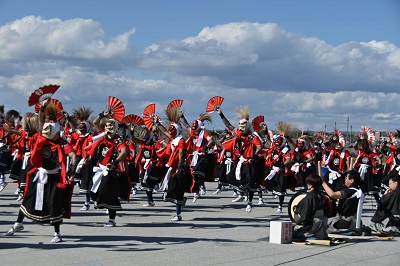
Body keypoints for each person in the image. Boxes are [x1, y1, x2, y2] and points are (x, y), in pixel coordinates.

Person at [4, 100, 76, 243]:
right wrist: (42, 108)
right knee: (27, 200)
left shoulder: (62, 142)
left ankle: (57, 233)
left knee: (54, 205)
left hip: (55, 177)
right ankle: (17, 224)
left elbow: (73, 155)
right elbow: (39, 123)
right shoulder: (40, 138)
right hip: (39, 174)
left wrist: (72, 171)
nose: (48, 134)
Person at [216, 106, 263, 213]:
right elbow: (228, 125)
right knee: (229, 177)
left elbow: (259, 147)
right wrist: (221, 114)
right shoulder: (237, 132)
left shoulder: (252, 136)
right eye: (240, 126)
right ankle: (241, 190)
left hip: (250, 161)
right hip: (241, 160)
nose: (241, 128)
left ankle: (249, 202)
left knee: (250, 182)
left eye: (243, 127)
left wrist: (253, 157)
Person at [86, 117, 130, 227]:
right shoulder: (102, 139)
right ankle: (100, 202)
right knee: (91, 190)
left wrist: (114, 162)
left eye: (111, 128)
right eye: (107, 127)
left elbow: (124, 152)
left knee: (110, 195)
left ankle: (112, 219)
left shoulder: (119, 140)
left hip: (111, 171)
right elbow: (95, 150)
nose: (109, 130)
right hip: (99, 169)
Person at [158, 107, 192, 221]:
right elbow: (166, 133)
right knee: (171, 189)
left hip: (179, 168)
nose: (170, 132)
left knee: (176, 190)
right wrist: (158, 124)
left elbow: (181, 153)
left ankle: (178, 214)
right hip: (173, 167)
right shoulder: (174, 138)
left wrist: (180, 166)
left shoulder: (181, 141)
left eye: (172, 130)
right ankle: (181, 202)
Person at [180, 112, 214, 203]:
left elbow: (211, 140)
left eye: (195, 128)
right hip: (192, 156)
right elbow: (186, 125)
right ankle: (196, 191)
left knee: (197, 171)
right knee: (192, 174)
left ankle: (202, 185)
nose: (194, 130)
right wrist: (182, 116)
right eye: (193, 128)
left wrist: (206, 148)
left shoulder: (204, 133)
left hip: (201, 155)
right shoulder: (192, 131)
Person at [293, 174, 329, 240]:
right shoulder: (322, 196)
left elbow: (305, 214)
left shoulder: (309, 197)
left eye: (308, 183)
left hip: (311, 227)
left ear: (311, 185)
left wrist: (297, 222)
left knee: (292, 230)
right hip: (321, 225)